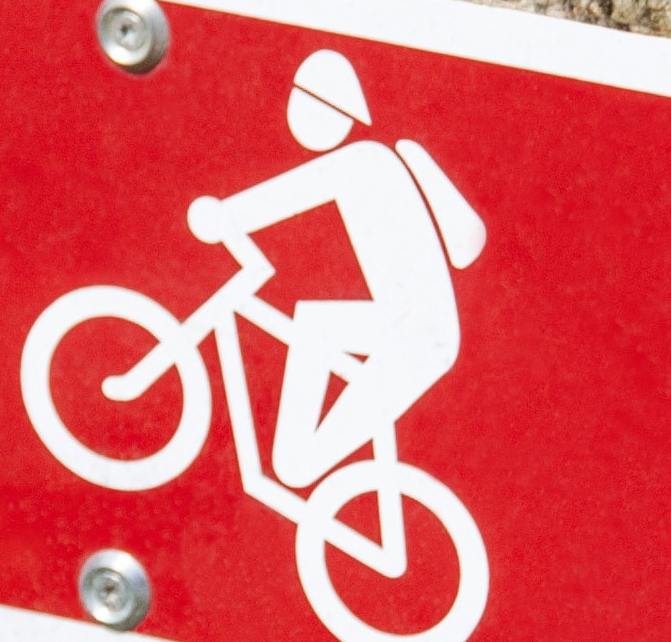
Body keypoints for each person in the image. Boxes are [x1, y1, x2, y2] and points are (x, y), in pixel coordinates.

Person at [183, 48, 484, 494]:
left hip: (419, 336)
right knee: (318, 323)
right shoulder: (371, 159)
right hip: (407, 327)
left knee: (293, 464)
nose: (295, 115)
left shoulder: (362, 161)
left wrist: (223, 216)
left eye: (304, 104)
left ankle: (299, 481)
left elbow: (286, 197)